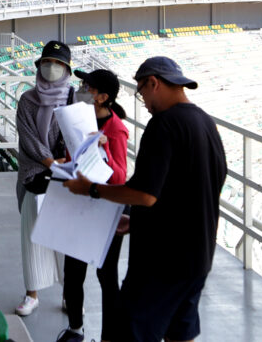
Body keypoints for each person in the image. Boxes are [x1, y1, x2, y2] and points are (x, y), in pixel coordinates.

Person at [65, 57, 227, 342]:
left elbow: (145, 194)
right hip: (198, 258)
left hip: (161, 263)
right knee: (181, 333)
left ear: (154, 83)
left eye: (142, 92)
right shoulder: (206, 123)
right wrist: (137, 220)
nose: (145, 103)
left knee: (132, 332)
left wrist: (91, 189)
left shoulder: (163, 125)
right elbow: (193, 188)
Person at [58, 68, 129, 342]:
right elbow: (73, 157)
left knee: (105, 275)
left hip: (107, 208)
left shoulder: (116, 130)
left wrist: (104, 147)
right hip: (80, 205)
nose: (82, 89)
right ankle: (75, 329)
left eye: (87, 86)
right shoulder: (78, 120)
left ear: (102, 97)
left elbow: (120, 176)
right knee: (73, 273)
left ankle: (109, 337)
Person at [14, 40, 74, 317]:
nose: (52, 68)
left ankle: (69, 294)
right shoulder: (27, 100)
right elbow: (27, 138)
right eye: (47, 62)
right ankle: (31, 294)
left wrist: (66, 163)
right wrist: (50, 162)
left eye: (58, 64)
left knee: (65, 237)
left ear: (67, 69)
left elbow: (81, 132)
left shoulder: (74, 98)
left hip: (66, 178)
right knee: (32, 235)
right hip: (34, 175)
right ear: (39, 66)